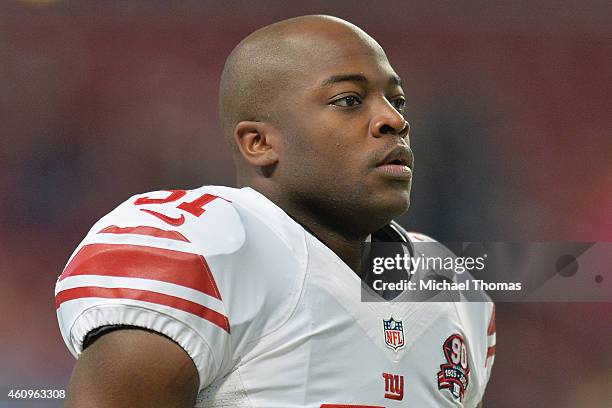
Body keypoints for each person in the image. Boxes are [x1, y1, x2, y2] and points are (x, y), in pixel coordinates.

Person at [55, 15, 495, 407]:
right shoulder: (206, 245)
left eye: (396, 102)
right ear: (259, 143)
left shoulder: (454, 290)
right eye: (348, 100)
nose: (394, 121)